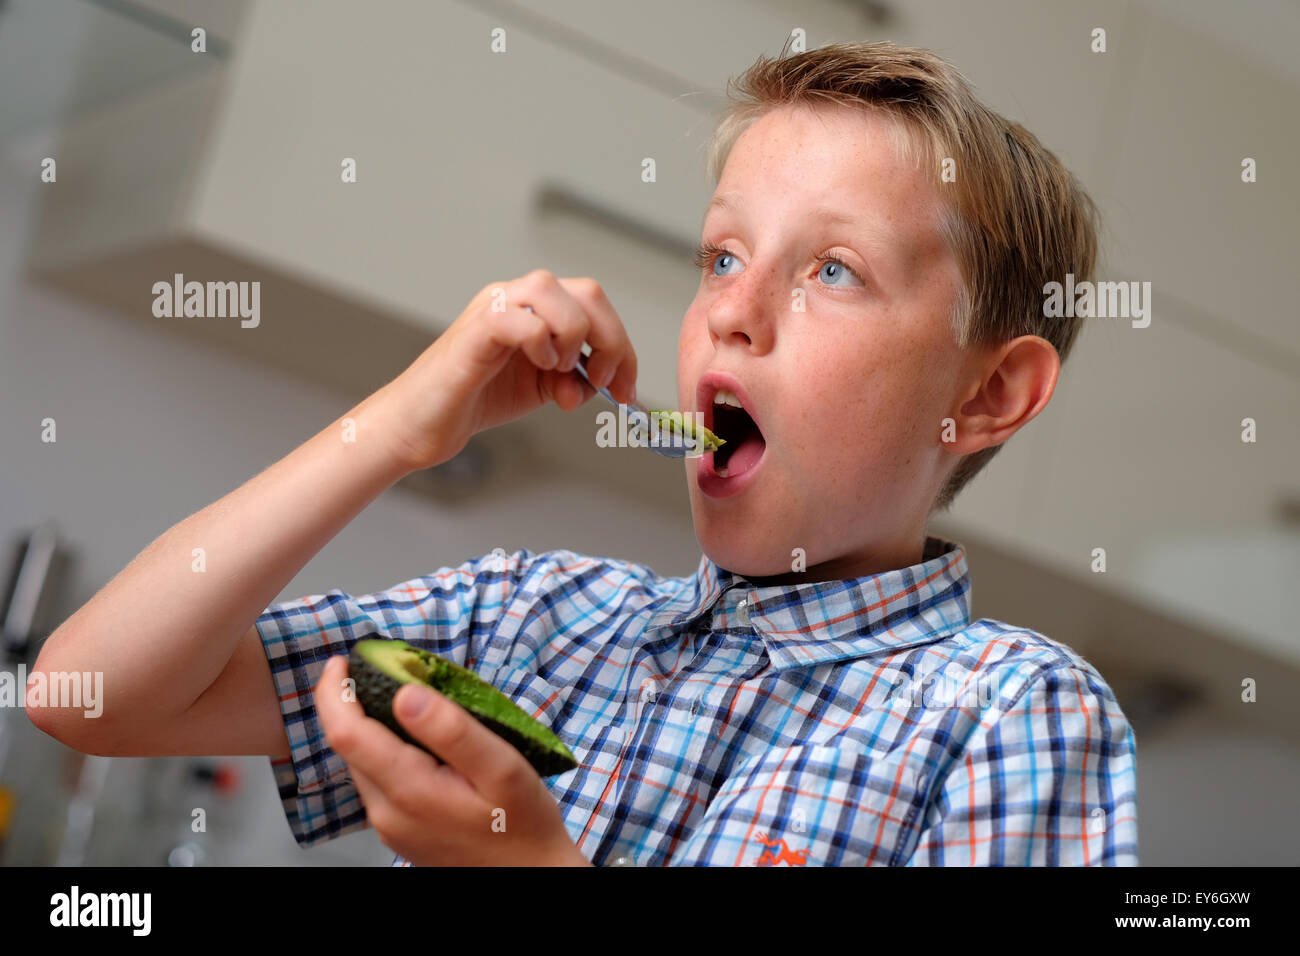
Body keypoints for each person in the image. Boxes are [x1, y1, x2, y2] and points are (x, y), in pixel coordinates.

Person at [30, 41, 1137, 866]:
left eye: (832, 270)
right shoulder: (536, 627)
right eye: (721, 254)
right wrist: (398, 427)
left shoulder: (1008, 711)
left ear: (988, 394)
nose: (731, 312)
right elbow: (91, 694)